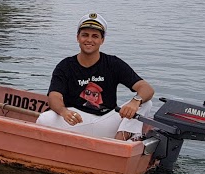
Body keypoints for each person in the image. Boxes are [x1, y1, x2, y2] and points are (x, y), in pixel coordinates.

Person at [36, 13, 155, 141]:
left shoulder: (113, 63)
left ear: (102, 40)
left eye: (95, 36)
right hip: (76, 121)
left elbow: (146, 88)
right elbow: (54, 96)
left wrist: (135, 101)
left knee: (146, 102)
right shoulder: (65, 66)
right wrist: (64, 111)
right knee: (44, 119)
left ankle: (121, 141)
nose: (89, 40)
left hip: (106, 121)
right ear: (78, 38)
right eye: (85, 35)